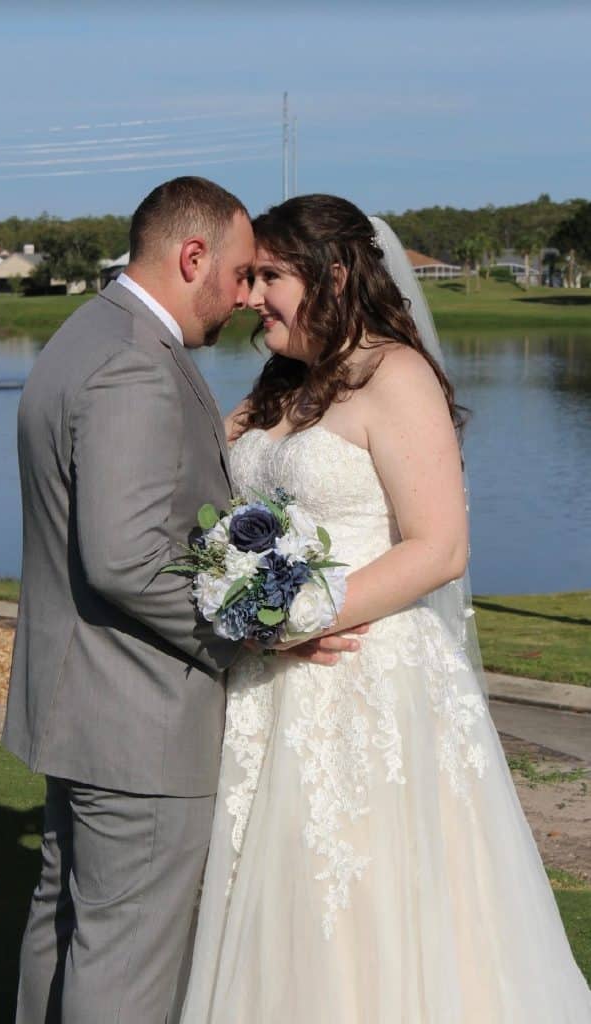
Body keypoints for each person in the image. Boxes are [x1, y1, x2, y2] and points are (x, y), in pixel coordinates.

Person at [176, 195, 591, 1022]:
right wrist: (246, 608)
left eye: (270, 276)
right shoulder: (273, 390)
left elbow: (438, 548)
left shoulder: (396, 375)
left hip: (368, 684)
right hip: (267, 688)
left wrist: (293, 617)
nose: (253, 295)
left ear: (333, 276)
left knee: (365, 905)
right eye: (249, 275)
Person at [2, 177, 362, 1024]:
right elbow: (126, 558)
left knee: (64, 929)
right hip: (141, 718)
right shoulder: (136, 365)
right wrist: (254, 636)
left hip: (79, 703)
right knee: (124, 965)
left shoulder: (87, 333)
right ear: (191, 256)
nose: (246, 298)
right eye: (239, 275)